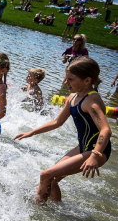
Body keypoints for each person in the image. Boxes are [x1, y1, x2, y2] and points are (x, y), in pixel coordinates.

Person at [15, 58, 111, 203]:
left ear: (87, 81)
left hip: (97, 150)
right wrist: (31, 132)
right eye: (66, 78)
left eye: (71, 79)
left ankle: (37, 207)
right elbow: (57, 122)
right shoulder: (73, 97)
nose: (66, 82)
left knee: (46, 175)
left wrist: (95, 155)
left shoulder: (91, 101)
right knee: (51, 179)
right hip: (83, 147)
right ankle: (57, 210)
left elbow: (106, 130)